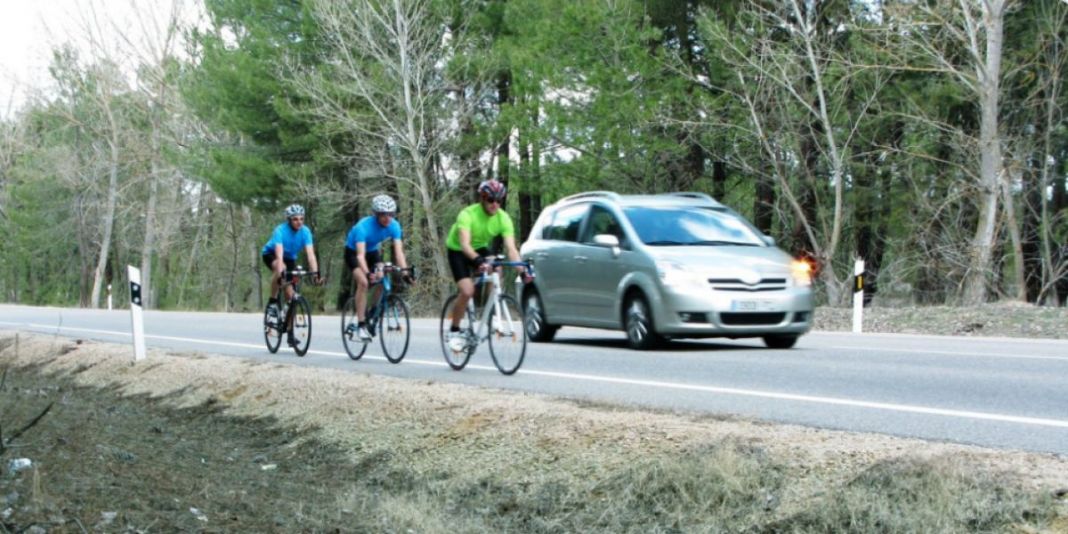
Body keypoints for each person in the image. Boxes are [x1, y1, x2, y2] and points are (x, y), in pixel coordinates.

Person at [444, 179, 527, 351]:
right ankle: (454, 330)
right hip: (458, 249)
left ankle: (493, 314)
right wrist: (478, 261)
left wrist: (522, 270)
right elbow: (465, 245)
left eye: (499, 200)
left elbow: (511, 248)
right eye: (491, 200)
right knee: (467, 291)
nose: (495, 204)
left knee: (497, 267)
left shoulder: (503, 218)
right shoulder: (467, 214)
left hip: (479, 247)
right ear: (482, 198)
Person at [344, 194, 414, 341]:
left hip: (372, 252)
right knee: (363, 282)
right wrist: (368, 273)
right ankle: (361, 325)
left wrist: (406, 273)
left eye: (390, 214)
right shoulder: (363, 227)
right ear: (376, 214)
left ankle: (372, 311)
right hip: (353, 253)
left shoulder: (394, 225)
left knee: (383, 275)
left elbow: (399, 252)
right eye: (383, 214)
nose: (387, 218)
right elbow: (360, 256)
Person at [261, 204, 321, 343]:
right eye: (295, 219)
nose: (299, 222)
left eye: (301, 219)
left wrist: (315, 273)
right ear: (289, 220)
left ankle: (290, 333)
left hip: (291, 258)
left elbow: (311, 255)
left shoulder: (305, 231)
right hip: (272, 254)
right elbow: (279, 253)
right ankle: (273, 301)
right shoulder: (280, 230)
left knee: (292, 297)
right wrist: (282, 272)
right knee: (280, 266)